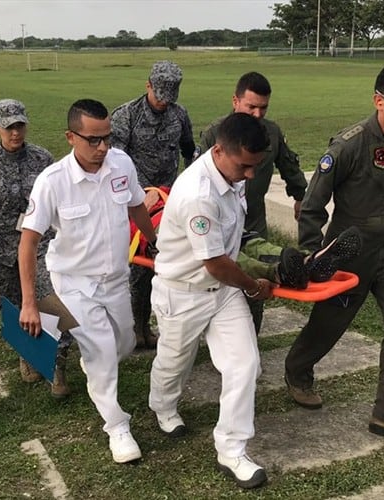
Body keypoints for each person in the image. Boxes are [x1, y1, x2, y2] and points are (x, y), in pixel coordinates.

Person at [284, 63, 384, 449]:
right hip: (348, 252)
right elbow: (314, 203)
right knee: (330, 323)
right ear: (379, 101)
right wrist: (313, 253)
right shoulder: (349, 144)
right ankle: (298, 370)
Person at [17, 99, 158, 464]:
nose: (102, 148)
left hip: (115, 280)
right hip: (74, 284)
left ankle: (94, 365)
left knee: (125, 343)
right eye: (93, 140)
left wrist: (155, 243)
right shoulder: (52, 182)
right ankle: (117, 427)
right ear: (70, 137)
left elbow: (136, 204)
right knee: (102, 353)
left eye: (107, 138)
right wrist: (31, 303)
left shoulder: (121, 164)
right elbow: (28, 243)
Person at [148, 113, 275, 489]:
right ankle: (163, 406)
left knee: (245, 364)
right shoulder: (198, 195)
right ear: (219, 150)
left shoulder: (231, 174)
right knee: (174, 364)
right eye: (245, 166)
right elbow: (217, 262)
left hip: (221, 294)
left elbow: (232, 246)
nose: (250, 176)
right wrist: (253, 286)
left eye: (256, 166)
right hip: (182, 292)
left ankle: (232, 449)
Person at [0, 98, 76, 399]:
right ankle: (28, 353)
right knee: (11, 307)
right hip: (0, 249)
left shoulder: (42, 160)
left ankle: (57, 364)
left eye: (20, 126)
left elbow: (63, 202)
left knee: (53, 303)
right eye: (8, 128)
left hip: (40, 247)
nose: (15, 133)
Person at [197, 72, 308, 333]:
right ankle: (214, 335)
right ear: (235, 101)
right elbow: (200, 176)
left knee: (257, 281)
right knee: (222, 278)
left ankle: (250, 338)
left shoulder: (272, 132)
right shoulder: (216, 133)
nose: (258, 114)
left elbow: (289, 165)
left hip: (254, 218)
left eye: (263, 107)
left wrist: (300, 195)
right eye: (251, 107)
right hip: (220, 219)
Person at [111, 60, 195, 350]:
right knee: (137, 268)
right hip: (136, 203)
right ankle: (137, 327)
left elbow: (189, 150)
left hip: (169, 202)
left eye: (169, 98)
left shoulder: (179, 114)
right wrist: (135, 194)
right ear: (148, 85)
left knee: (165, 262)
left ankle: (154, 325)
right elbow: (113, 163)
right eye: (159, 96)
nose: (163, 103)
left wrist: (191, 184)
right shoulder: (127, 116)